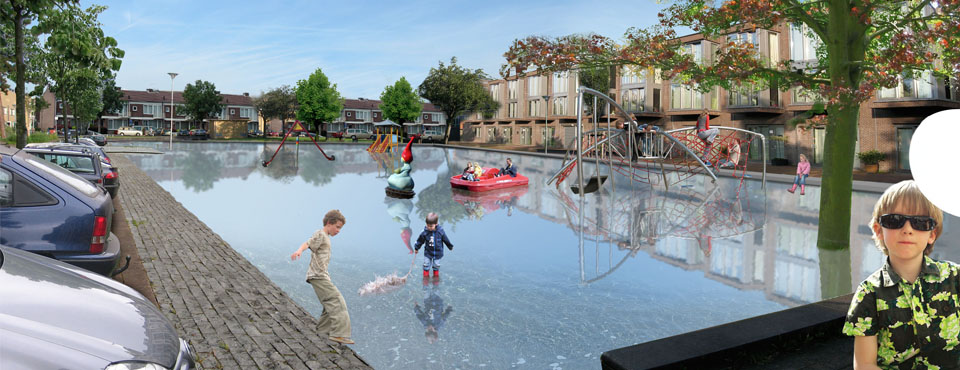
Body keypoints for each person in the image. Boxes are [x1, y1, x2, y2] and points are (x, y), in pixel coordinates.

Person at [843, 180, 949, 369]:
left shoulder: (955, 278)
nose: (907, 229)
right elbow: (865, 365)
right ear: (879, 230)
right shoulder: (868, 294)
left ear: (932, 234)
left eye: (920, 222)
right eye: (895, 220)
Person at [290, 210, 354, 345]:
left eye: (340, 228)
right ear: (329, 223)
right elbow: (308, 243)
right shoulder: (321, 234)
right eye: (337, 227)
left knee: (328, 304)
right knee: (337, 301)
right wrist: (299, 251)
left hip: (321, 275)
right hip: (318, 276)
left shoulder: (325, 236)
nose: (339, 231)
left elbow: (309, 242)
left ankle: (323, 331)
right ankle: (339, 334)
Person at [414, 212, 454, 278]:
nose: (429, 227)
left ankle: (435, 278)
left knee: (436, 265)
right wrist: (416, 248)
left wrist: (450, 246)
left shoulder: (440, 231)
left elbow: (446, 239)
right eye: (427, 225)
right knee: (426, 265)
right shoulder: (425, 232)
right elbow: (420, 241)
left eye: (431, 226)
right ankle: (426, 279)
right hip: (428, 253)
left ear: (436, 224)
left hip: (438, 253)